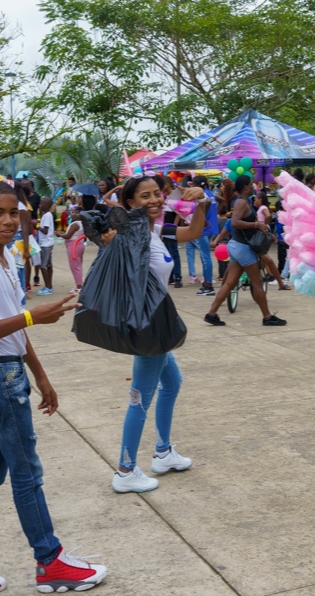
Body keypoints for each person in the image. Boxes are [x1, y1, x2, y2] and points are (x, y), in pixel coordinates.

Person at [0, 181, 107, 595]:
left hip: (5, 373)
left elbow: (9, 324)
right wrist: (33, 318)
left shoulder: (4, 254)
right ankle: (50, 562)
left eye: (15, 212)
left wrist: (40, 375)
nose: (9, 220)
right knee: (26, 472)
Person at [110, 176, 209, 494]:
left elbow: (193, 232)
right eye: (144, 196)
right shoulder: (133, 233)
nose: (154, 199)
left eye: (157, 194)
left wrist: (203, 202)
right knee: (139, 399)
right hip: (147, 326)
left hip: (159, 323)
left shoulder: (155, 230)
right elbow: (112, 231)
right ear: (131, 203)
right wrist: (114, 211)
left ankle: (164, 453)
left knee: (173, 382)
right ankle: (125, 470)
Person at [204, 175, 287, 327]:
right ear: (245, 187)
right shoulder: (241, 202)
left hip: (236, 246)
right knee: (257, 282)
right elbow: (235, 222)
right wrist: (256, 225)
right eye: (251, 184)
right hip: (242, 248)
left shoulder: (242, 201)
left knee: (229, 283)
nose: (253, 186)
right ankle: (267, 317)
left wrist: (263, 230)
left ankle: (212, 313)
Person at [185, 176, 217, 296]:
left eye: (193, 184)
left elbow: (207, 202)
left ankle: (208, 285)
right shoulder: (210, 193)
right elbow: (218, 200)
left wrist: (202, 217)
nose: (191, 186)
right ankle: (206, 284)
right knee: (205, 256)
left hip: (203, 229)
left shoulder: (202, 195)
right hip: (211, 228)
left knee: (205, 257)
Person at [160, 177, 183, 288]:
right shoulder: (163, 197)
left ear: (168, 185)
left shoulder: (175, 196)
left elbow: (179, 212)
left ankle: (178, 277)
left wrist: (174, 226)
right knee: (166, 251)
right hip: (164, 226)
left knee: (174, 252)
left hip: (172, 227)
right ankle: (171, 276)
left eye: (162, 185)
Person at [56, 205, 85, 293]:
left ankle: (79, 286)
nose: (70, 214)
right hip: (78, 244)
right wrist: (62, 233)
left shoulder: (75, 224)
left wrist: (59, 234)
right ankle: (79, 284)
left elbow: (68, 236)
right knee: (78, 266)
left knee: (75, 266)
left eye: (72, 212)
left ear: (78, 214)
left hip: (74, 246)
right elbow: (69, 233)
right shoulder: (80, 223)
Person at [35, 197, 56, 296]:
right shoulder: (47, 215)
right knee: (48, 265)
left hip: (45, 244)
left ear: (46, 205)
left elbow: (45, 231)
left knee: (42, 266)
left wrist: (37, 226)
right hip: (48, 243)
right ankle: (50, 285)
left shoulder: (47, 216)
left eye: (41, 204)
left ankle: (48, 287)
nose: (39, 205)